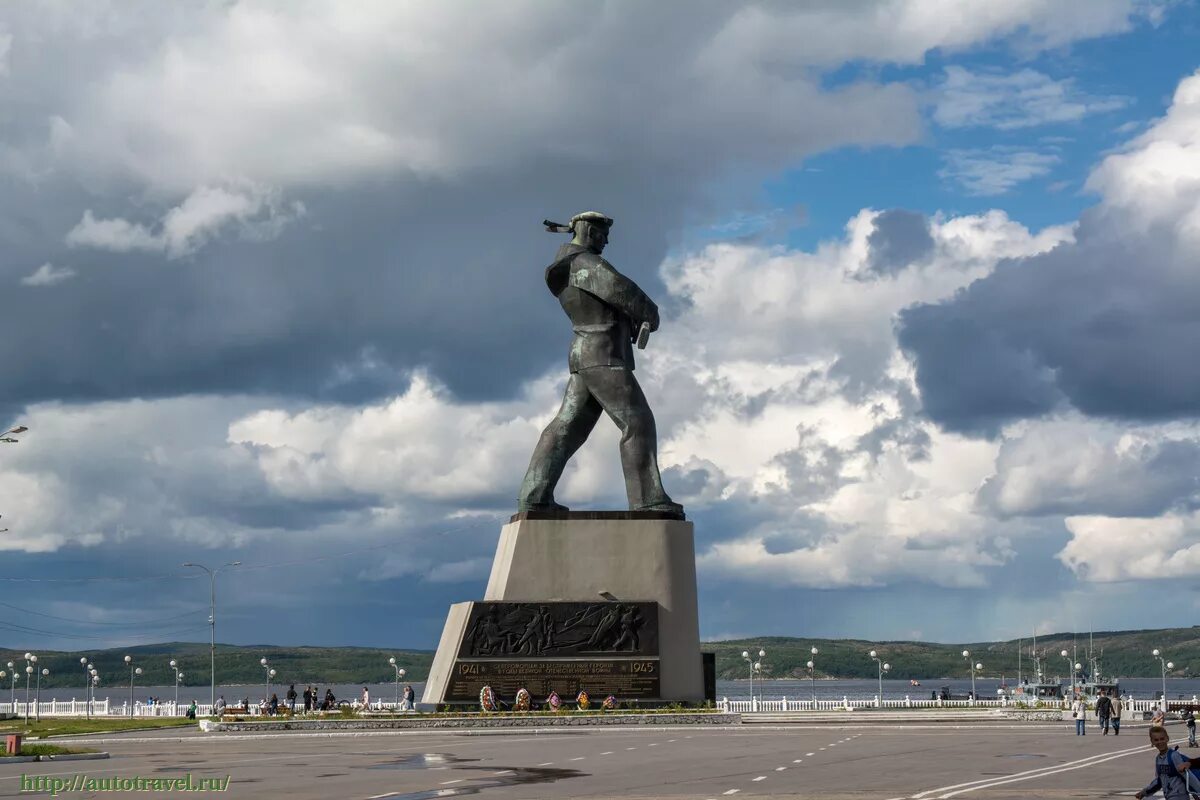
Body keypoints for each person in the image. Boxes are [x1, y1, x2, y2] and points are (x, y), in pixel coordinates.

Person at [517, 212, 682, 515]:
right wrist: (650, 313)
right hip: (603, 355)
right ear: (590, 231)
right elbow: (621, 289)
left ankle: (534, 495)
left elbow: (604, 304)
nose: (606, 241)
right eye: (603, 234)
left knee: (568, 427)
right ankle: (648, 499)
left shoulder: (568, 267)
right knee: (637, 422)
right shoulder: (585, 264)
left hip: (584, 353)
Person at [1136, 726, 1195, 799]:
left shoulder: (1174, 755)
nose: (1160, 742)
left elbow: (1189, 776)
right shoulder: (1158, 759)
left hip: (1179, 796)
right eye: (1156, 740)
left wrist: (1197, 792)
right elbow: (1158, 781)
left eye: (1162, 739)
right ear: (1152, 742)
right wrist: (1144, 792)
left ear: (1167, 738)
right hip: (1169, 796)